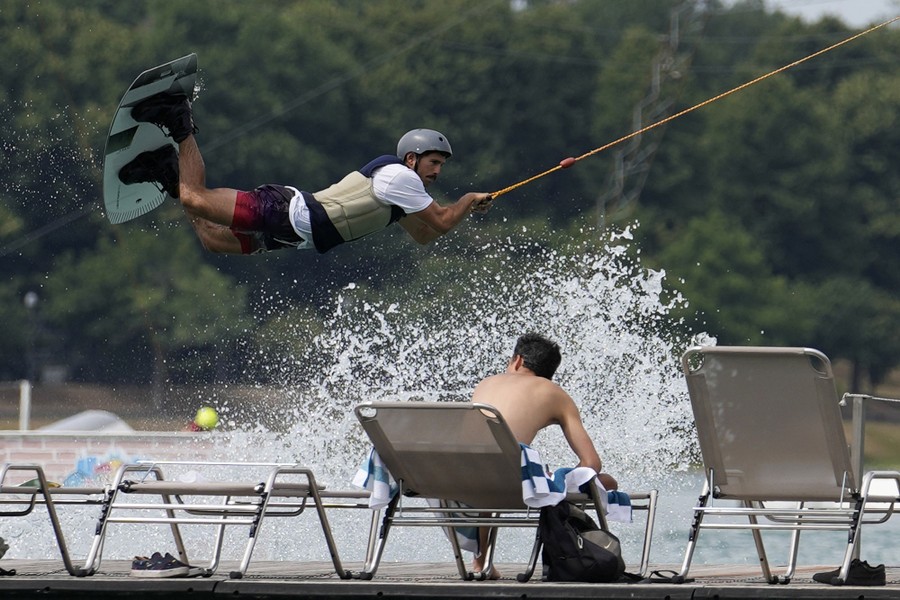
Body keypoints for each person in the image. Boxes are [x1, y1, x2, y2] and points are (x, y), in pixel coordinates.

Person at [119, 93, 493, 255]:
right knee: (196, 199)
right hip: (287, 211)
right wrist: (467, 200)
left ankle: (170, 174)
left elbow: (425, 235)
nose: (437, 171)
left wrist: (463, 211)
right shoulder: (401, 178)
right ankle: (178, 118)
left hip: (293, 236)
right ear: (412, 159)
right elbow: (442, 221)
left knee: (212, 240)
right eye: (434, 162)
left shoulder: (403, 197)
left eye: (441, 165)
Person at [469, 332, 618, 578]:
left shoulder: (486, 383)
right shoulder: (553, 392)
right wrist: (559, 480)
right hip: (511, 486)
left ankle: (480, 561)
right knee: (608, 482)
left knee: (490, 466)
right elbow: (592, 463)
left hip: (460, 479)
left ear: (517, 361)